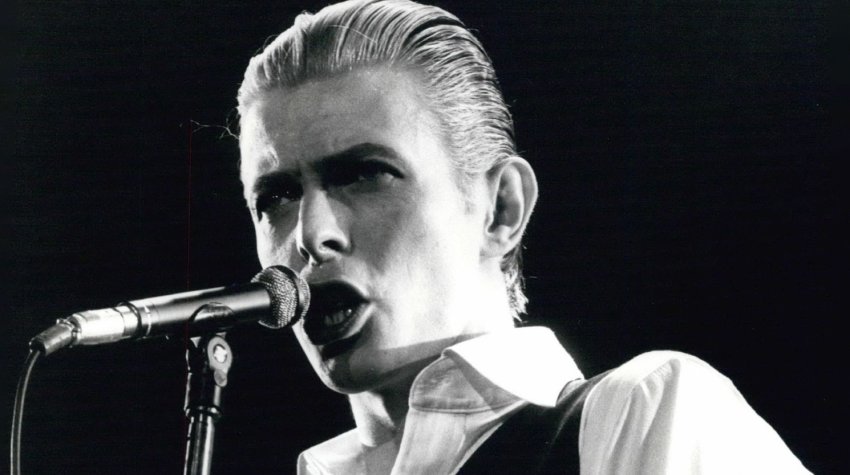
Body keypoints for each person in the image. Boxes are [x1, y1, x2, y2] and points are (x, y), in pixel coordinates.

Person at [235, 0, 811, 473]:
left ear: (500, 210)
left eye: (365, 174)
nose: (311, 235)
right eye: (276, 197)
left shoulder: (646, 413)